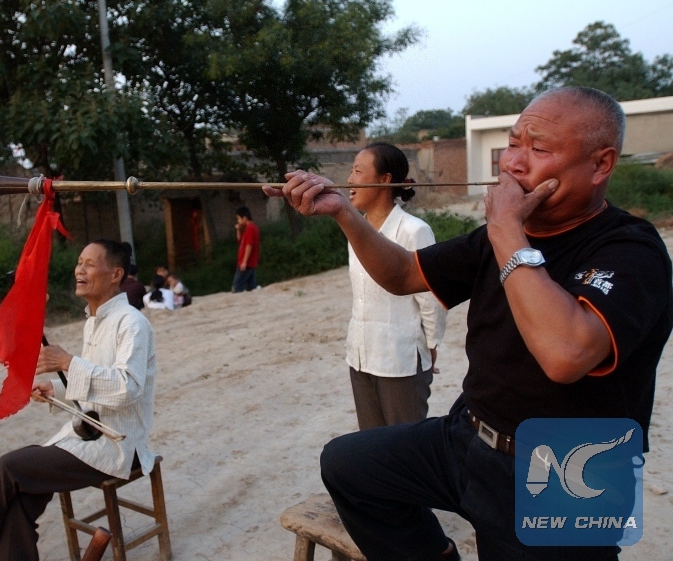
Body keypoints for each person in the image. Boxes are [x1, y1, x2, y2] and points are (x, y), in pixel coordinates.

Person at [264, 87, 673, 560]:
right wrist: (344, 211)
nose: (513, 163)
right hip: (471, 436)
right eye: (513, 143)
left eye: (538, 149)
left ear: (601, 164)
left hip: (570, 467)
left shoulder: (631, 249)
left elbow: (566, 355)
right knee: (349, 465)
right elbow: (402, 274)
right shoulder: (498, 237)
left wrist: (506, 228)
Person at [0, 239, 157, 561]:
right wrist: (56, 387)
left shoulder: (132, 322)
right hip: (89, 434)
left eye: (89, 264)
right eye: (79, 262)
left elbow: (128, 388)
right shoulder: (95, 321)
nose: (79, 270)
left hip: (119, 444)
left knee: (11, 466)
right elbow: (97, 381)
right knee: (21, 498)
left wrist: (68, 362)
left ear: (115, 275)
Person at [345, 143, 447, 430]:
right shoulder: (357, 229)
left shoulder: (414, 231)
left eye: (358, 171)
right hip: (360, 357)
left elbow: (431, 297)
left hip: (400, 360)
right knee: (372, 445)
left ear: (385, 179)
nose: (350, 180)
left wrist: (431, 346)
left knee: (404, 446)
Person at [232, 205, 260, 292]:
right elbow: (240, 241)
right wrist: (238, 230)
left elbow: (249, 245)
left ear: (244, 218)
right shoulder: (249, 228)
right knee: (251, 288)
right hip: (250, 263)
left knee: (237, 287)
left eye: (238, 218)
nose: (238, 221)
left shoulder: (250, 228)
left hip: (246, 263)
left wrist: (244, 261)